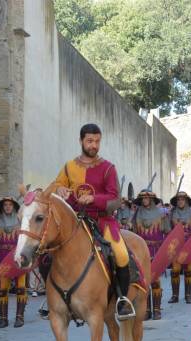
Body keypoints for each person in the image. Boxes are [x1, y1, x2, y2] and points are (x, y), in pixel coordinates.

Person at [54, 123, 138, 319]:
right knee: (49, 251)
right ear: (81, 141)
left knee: (121, 255)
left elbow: (116, 199)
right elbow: (57, 185)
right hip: (76, 222)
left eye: (97, 141)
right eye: (90, 141)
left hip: (104, 221)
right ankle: (52, 297)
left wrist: (94, 199)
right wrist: (60, 189)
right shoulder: (69, 167)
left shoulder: (108, 168)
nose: (94, 145)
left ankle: (122, 300)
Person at [131, 189, 170, 320]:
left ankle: (157, 309)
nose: (144, 200)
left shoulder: (161, 214)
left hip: (156, 249)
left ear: (152, 200)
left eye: (147, 198)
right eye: (143, 199)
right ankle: (146, 309)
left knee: (156, 280)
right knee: (144, 281)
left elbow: (167, 231)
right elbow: (134, 232)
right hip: (142, 250)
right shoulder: (137, 214)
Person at [0, 196, 27, 328]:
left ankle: (20, 317)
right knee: (2, 289)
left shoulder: (20, 220)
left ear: (13, 207)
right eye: (5, 205)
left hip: (18, 256)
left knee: (20, 288)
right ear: (2, 207)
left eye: (10, 205)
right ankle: (3, 319)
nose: (8, 207)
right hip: (3, 258)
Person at [169, 191, 191, 304]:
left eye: (182, 199)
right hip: (176, 245)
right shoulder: (171, 214)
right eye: (178, 200)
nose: (180, 201)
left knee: (188, 271)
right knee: (175, 271)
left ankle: (188, 295)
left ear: (186, 201)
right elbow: (168, 230)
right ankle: (175, 296)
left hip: (188, 245)